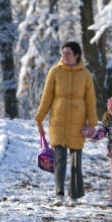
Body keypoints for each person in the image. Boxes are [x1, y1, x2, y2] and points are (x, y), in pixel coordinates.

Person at [35, 41, 98, 206]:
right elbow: (46, 97)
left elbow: (91, 101)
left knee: (76, 159)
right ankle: (59, 194)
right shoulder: (54, 72)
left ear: (76, 55)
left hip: (78, 123)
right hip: (58, 122)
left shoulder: (85, 74)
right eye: (63, 53)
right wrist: (39, 119)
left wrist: (92, 123)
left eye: (68, 53)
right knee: (59, 158)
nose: (64, 56)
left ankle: (74, 195)